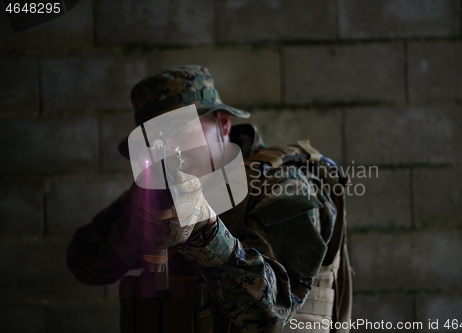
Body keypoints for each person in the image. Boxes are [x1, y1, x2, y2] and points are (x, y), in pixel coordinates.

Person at [67, 65, 352, 333]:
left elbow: (270, 315)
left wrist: (205, 231)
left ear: (223, 124)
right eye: (154, 137)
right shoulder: (157, 189)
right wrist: (136, 233)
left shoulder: (284, 186)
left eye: (180, 129)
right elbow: (84, 264)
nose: (168, 148)